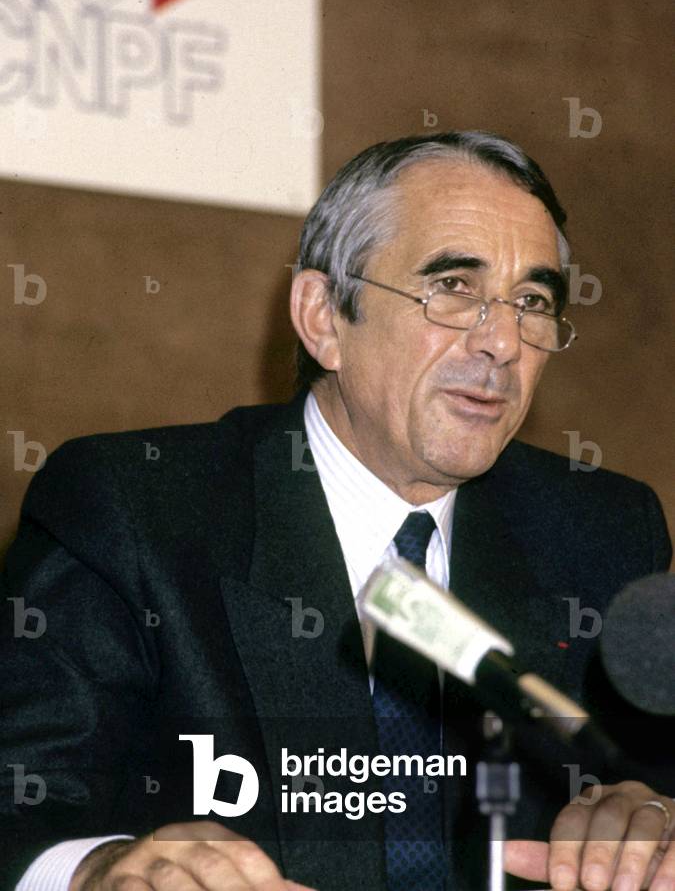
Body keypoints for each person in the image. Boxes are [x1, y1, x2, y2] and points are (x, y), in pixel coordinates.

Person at [1, 131, 672, 891]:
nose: (501, 342)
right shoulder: (135, 509)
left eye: (531, 302)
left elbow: (646, 781)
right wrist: (98, 868)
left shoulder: (602, 531)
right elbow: (20, 798)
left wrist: (647, 818)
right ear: (322, 315)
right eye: (452, 287)